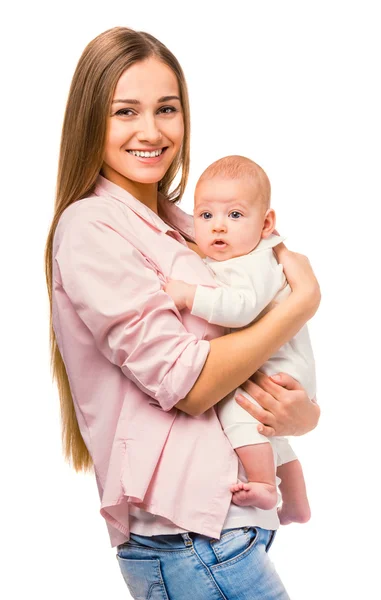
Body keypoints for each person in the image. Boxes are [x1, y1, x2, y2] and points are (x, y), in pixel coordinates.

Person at [44, 26, 320, 600]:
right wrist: (302, 304)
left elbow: (256, 357)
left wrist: (300, 416)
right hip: (189, 538)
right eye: (126, 111)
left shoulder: (195, 225)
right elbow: (189, 383)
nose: (151, 131)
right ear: (91, 119)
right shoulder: (91, 228)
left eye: (166, 108)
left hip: (227, 529)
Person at [165, 155, 315, 525]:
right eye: (206, 216)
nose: (218, 228)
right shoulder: (246, 255)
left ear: (266, 224)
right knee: (272, 437)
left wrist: (188, 295)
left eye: (234, 216)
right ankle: (296, 503)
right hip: (283, 366)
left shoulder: (253, 262)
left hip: (277, 368)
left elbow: (241, 308)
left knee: (237, 414)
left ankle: (265, 484)